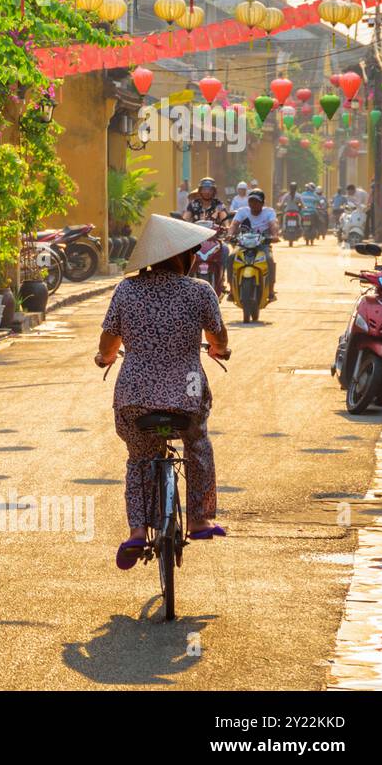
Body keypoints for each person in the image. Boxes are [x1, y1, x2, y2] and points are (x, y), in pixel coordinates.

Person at [94, 214, 231, 568]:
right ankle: (200, 519)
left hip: (134, 398)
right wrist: (218, 350)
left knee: (140, 458)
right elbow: (218, 337)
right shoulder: (200, 291)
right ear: (184, 257)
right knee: (197, 444)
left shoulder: (126, 290)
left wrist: (104, 357)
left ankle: (138, 532)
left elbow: (109, 342)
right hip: (186, 396)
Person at [230, 188, 279, 301]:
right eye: (251, 201)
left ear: (262, 203)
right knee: (231, 257)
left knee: (269, 259)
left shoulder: (269, 212)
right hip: (243, 243)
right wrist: (230, 234)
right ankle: (232, 290)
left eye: (256, 201)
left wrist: (275, 235)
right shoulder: (243, 211)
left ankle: (271, 290)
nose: (253, 204)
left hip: (262, 244)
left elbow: (273, 224)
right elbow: (234, 224)